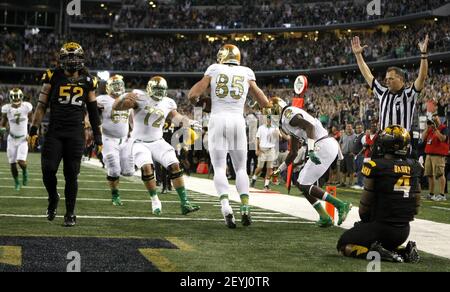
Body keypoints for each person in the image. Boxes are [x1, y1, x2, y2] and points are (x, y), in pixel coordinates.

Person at [188, 44, 270, 229]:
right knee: (241, 168)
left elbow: (193, 95)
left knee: (219, 167)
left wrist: (200, 102)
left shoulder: (214, 68)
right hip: (237, 119)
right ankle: (245, 206)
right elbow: (265, 102)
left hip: (218, 118)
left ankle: (226, 206)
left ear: (222, 57)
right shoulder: (247, 72)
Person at [29, 42, 103, 227]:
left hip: (75, 133)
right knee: (48, 170)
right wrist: (33, 128)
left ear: (81, 59)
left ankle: (70, 213)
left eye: (75, 57)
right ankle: (53, 197)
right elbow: (41, 106)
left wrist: (98, 138)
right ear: (61, 59)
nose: (71, 61)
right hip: (55, 131)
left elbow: (93, 113)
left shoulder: (88, 81)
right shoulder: (53, 76)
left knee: (71, 174)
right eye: (68, 57)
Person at [113, 76, 201, 215]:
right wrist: (123, 96)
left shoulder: (168, 102)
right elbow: (116, 107)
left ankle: (185, 203)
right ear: (149, 88)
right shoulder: (140, 98)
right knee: (147, 168)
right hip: (139, 142)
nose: (159, 93)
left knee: (175, 166)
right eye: (157, 89)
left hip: (157, 141)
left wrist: (188, 121)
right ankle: (155, 200)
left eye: (162, 90)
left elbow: (176, 117)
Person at [337, 125, 422, 263]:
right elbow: (416, 207)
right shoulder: (414, 166)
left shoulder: (376, 166)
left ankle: (376, 253)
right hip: (404, 230)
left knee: (344, 243)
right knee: (379, 239)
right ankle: (404, 251)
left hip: (382, 226)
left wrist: (366, 222)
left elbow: (364, 207)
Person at [272, 97, 352, 227]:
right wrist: (278, 170)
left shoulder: (288, 114)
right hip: (324, 144)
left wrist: (310, 150)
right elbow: (293, 153)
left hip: (322, 145)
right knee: (302, 184)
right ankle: (324, 216)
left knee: (303, 184)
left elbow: (310, 126)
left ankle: (341, 205)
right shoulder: (289, 122)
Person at [351, 35, 429, 132]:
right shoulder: (382, 92)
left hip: (402, 144)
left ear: (400, 79)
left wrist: (424, 54)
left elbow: (422, 77)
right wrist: (358, 55)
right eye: (386, 78)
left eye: (391, 78)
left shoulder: (409, 94)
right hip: (384, 144)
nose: (387, 81)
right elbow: (367, 74)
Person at [96, 75, 131, 206]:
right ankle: (115, 195)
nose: (118, 88)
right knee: (114, 169)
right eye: (115, 86)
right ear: (108, 87)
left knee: (128, 171)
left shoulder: (127, 99)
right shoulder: (102, 99)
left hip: (125, 139)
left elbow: (131, 116)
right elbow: (91, 114)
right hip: (108, 138)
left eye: (119, 85)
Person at [0, 88, 33, 191]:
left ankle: (24, 171)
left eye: (17, 96)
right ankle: (17, 182)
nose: (16, 99)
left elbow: (33, 120)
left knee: (21, 161)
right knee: (12, 164)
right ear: (10, 97)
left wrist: (31, 134)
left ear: (21, 96)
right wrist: (2, 128)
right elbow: (3, 121)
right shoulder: (6, 108)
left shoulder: (26, 107)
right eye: (14, 97)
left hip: (23, 138)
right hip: (12, 139)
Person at [422, 114, 449, 201]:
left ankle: (442, 194)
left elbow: (443, 139)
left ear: (440, 119)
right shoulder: (430, 129)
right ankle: (431, 193)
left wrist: (436, 129)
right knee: (429, 174)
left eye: (436, 118)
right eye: (433, 118)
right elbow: (423, 138)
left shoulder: (444, 128)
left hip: (438, 155)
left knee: (440, 174)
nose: (434, 120)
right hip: (429, 154)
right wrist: (427, 127)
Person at [251, 114, 280, 191]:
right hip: (262, 149)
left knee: (269, 168)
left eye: (270, 119)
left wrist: (277, 134)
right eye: (268, 119)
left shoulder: (275, 128)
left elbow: (279, 138)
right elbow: (257, 138)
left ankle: (266, 185)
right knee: (260, 167)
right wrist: (256, 149)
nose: (269, 120)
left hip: (271, 149)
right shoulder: (261, 128)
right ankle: (254, 178)